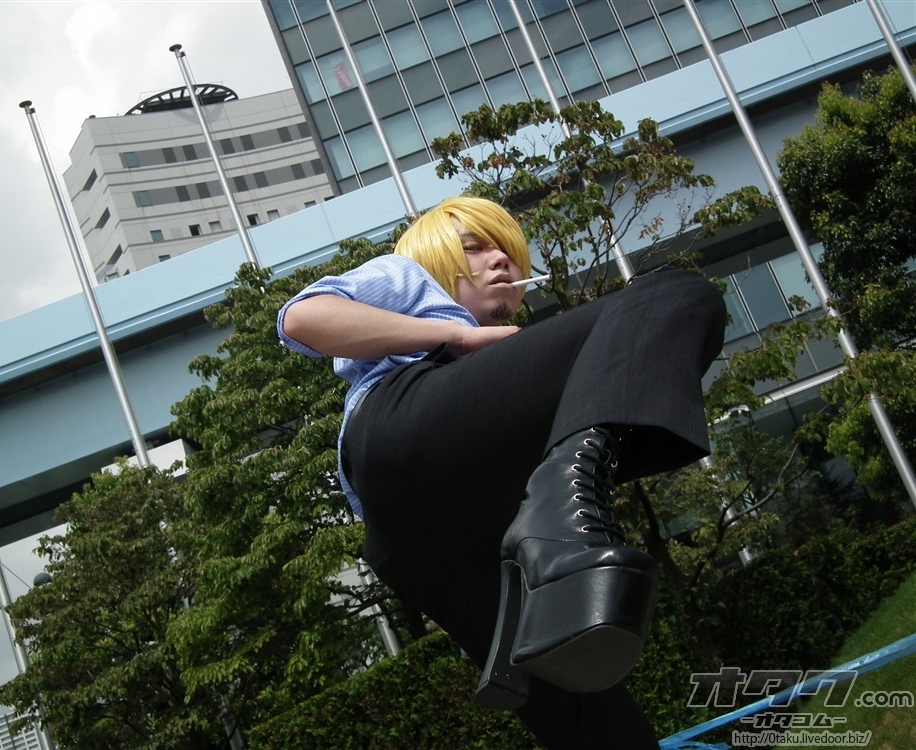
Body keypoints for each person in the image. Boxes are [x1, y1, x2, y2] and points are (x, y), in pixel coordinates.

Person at [277, 195, 725, 749]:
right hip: (401, 430)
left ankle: (550, 531)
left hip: (432, 541)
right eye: (474, 248)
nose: (500, 261)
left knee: (592, 717)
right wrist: (455, 335)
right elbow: (302, 318)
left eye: (510, 255)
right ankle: (562, 506)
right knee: (674, 295)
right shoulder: (409, 279)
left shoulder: (507, 375)